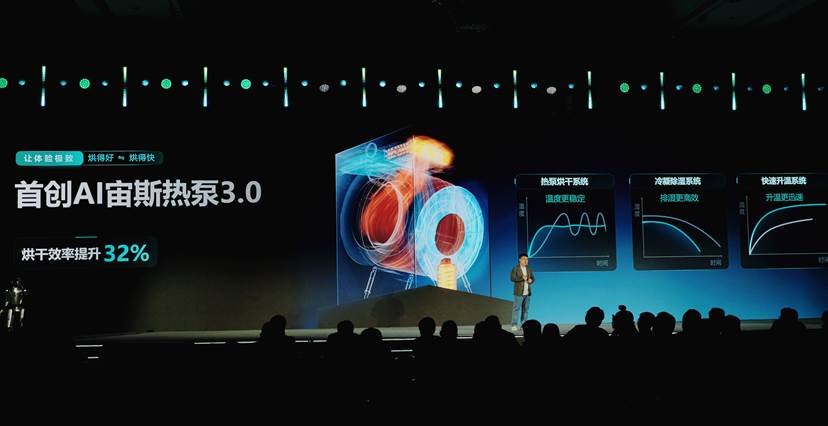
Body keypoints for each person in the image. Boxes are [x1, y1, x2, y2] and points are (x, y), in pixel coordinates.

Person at [510, 253, 535, 331]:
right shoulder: (515, 268)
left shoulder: (529, 269)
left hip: (527, 293)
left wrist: (531, 280)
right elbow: (512, 278)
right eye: (524, 259)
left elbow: (533, 278)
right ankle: (514, 324)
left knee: (525, 310)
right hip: (519, 293)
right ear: (519, 260)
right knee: (516, 309)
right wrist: (521, 278)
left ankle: (523, 324)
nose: (526, 261)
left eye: (527, 259)